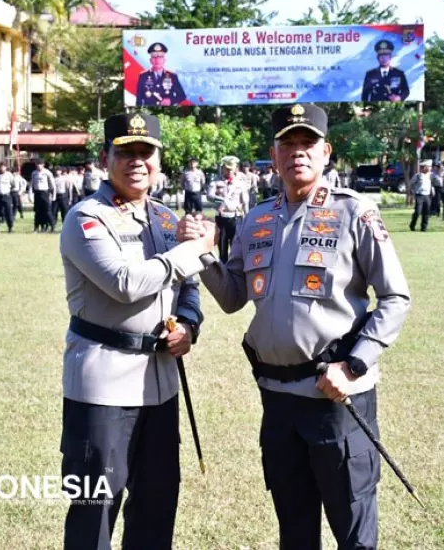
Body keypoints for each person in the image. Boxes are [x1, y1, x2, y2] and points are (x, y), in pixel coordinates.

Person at [179, 103, 411, 549]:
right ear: (274, 153)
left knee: (354, 533)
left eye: (307, 143)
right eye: (288, 144)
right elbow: (231, 298)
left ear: (326, 152)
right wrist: (203, 254)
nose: (297, 153)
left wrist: (354, 365)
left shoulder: (354, 212)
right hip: (278, 402)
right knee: (295, 530)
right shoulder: (257, 218)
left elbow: (396, 298)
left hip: (336, 398)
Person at [59, 112, 215, 550]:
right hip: (104, 386)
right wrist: (191, 251)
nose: (136, 162)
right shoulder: (87, 218)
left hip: (159, 385)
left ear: (158, 159)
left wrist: (188, 325)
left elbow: (189, 287)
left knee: (156, 504)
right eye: (125, 152)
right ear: (106, 157)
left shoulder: (166, 219)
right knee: (95, 511)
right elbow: (124, 284)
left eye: (145, 152)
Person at [207, 155, 247, 262]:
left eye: (232, 169)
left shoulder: (241, 183)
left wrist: (247, 219)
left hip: (235, 217)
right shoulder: (216, 182)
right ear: (222, 168)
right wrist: (222, 200)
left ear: (235, 169)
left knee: (236, 247)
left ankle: (234, 270)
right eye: (227, 168)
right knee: (222, 246)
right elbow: (209, 196)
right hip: (222, 217)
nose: (229, 171)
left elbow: (245, 202)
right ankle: (223, 270)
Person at [31, 160, 56, 232]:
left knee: (47, 211)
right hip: (37, 193)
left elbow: (52, 185)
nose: (38, 165)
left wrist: (53, 195)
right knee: (37, 211)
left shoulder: (47, 173)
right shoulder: (34, 173)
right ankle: (36, 227)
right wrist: (30, 194)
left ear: (43, 165)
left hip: (45, 193)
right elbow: (32, 184)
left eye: (40, 164)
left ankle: (52, 226)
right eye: (37, 164)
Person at [409, 160, 432, 232]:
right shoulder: (417, 175)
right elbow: (411, 184)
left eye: (429, 167)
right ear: (423, 168)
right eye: (427, 167)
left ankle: (424, 227)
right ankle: (412, 224)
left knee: (426, 212)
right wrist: (412, 193)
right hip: (419, 195)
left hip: (427, 195)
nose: (429, 168)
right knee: (418, 211)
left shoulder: (430, 175)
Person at [0, 162, 14, 233]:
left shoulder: (9, 175)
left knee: (8, 212)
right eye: (0, 167)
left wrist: (7, 190)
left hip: (6, 196)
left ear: (5, 167)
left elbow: (13, 184)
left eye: (3, 167)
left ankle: (10, 228)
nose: (1, 168)